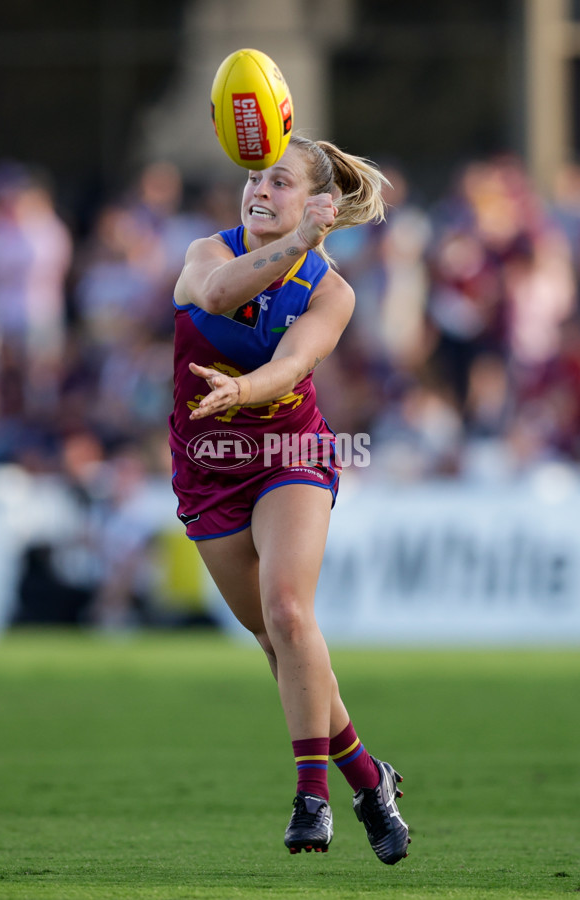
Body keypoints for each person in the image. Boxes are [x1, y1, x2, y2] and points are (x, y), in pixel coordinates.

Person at [168, 134, 411, 863]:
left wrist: (243, 389)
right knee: (279, 642)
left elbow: (295, 363)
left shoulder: (332, 291)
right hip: (207, 464)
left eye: (278, 181)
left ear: (314, 204)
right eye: (255, 179)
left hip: (290, 451)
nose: (259, 191)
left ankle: (314, 797)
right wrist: (298, 239)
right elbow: (216, 296)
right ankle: (371, 779)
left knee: (288, 610)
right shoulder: (206, 254)